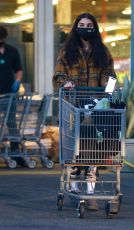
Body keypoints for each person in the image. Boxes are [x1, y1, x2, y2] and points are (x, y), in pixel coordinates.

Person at [53, 13, 116, 211]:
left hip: (96, 107)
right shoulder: (66, 51)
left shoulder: (103, 52)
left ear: (95, 28)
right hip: (72, 106)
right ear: (76, 27)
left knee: (93, 149)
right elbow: (58, 76)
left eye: (89, 25)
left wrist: (108, 88)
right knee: (74, 147)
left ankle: (90, 192)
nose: (86, 27)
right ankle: (73, 181)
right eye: (82, 24)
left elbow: (111, 76)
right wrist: (66, 83)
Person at [0, 25, 25, 167]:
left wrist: (18, 81)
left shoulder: (12, 52)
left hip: (9, 94)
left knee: (12, 123)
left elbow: (19, 69)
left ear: (4, 38)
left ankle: (15, 151)